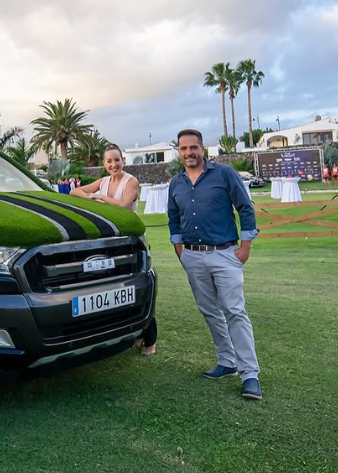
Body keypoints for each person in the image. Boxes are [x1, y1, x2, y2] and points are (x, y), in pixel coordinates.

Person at [168, 129, 262, 400]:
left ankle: (250, 374)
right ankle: (227, 361)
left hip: (225, 254)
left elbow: (245, 208)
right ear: (179, 151)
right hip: (193, 256)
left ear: (202, 148)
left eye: (193, 147)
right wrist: (180, 251)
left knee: (234, 311)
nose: (189, 153)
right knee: (209, 310)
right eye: (184, 148)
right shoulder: (177, 182)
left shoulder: (224, 174)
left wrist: (245, 247)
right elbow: (173, 216)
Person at [70, 144, 158, 356]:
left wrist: (99, 198)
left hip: (132, 240)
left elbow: (123, 205)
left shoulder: (131, 182)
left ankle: (150, 341)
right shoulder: (103, 181)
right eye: (109, 161)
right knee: (117, 289)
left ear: (123, 160)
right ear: (104, 163)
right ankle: (134, 334)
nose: (113, 164)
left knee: (141, 286)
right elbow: (74, 191)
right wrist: (91, 196)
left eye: (116, 160)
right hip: (111, 241)